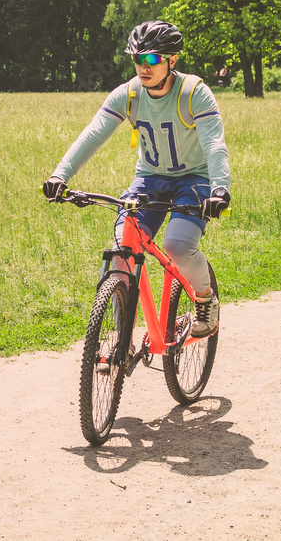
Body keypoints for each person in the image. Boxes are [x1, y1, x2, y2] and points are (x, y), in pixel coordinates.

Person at [42, 20, 231, 339]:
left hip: (194, 180)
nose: (144, 67)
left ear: (172, 60)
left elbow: (214, 143)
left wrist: (219, 189)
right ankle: (121, 338)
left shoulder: (193, 93)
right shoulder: (129, 95)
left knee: (177, 246)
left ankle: (205, 300)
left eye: (153, 59)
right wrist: (60, 174)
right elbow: (93, 135)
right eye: (137, 59)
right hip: (149, 179)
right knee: (120, 254)